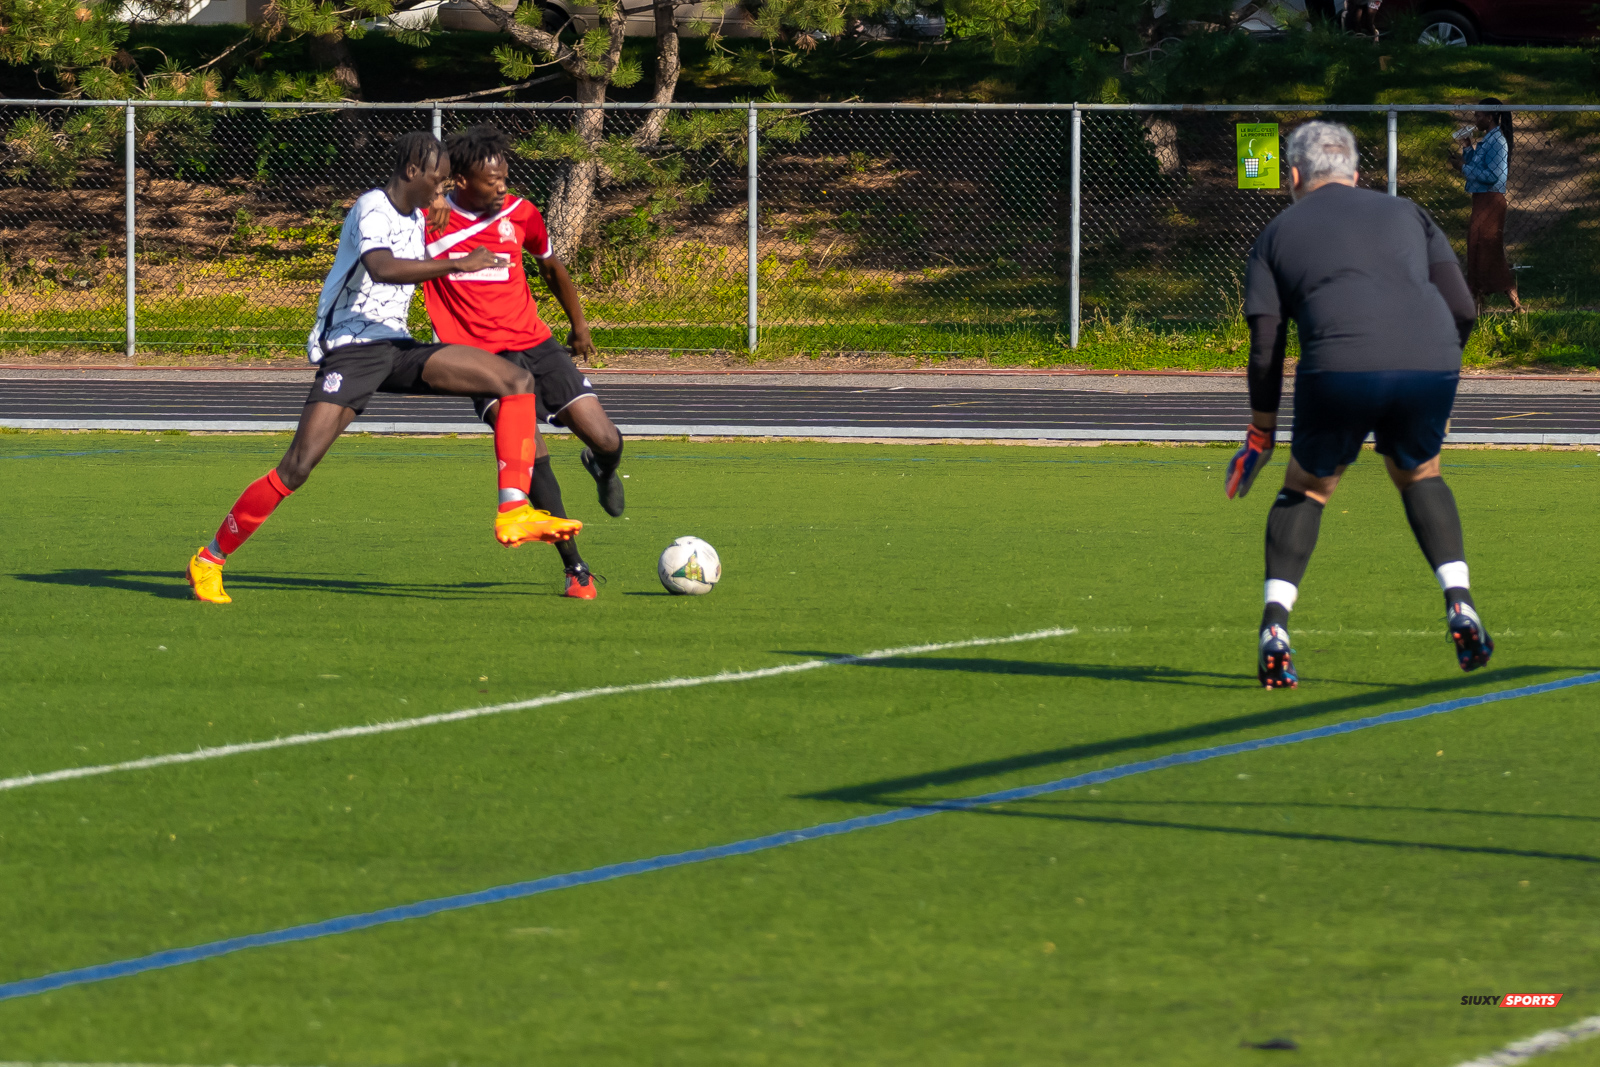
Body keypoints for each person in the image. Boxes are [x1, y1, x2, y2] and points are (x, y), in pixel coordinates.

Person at [185, 131, 581, 605]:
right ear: (412, 172)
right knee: (297, 467)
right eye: (436, 181)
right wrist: (458, 264)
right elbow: (382, 267)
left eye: (445, 183)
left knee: (514, 379)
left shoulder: (418, 214)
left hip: (395, 346)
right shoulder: (372, 206)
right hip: (352, 351)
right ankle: (209, 559)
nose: (441, 190)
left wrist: (442, 209)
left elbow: (447, 220)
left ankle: (513, 508)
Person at [1224, 121, 1491, 688]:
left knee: (1308, 488)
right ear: (1356, 173)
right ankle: (1460, 602)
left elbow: (1266, 344)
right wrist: (1438, 376)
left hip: (1340, 366)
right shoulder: (1409, 213)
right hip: (1430, 358)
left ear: (1294, 176)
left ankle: (1275, 629)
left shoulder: (1277, 232)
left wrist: (1260, 435)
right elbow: (1463, 309)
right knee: (1420, 474)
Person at [421, 123, 625, 600]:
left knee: (607, 438)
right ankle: (576, 568)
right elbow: (384, 214)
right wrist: (429, 197)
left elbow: (550, 267)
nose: (502, 187)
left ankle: (603, 468)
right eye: (492, 180)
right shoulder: (430, 220)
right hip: (482, 360)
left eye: (505, 177)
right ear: (461, 180)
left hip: (536, 344)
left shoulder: (522, 213)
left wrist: (579, 325)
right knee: (531, 456)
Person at [1453, 99, 1524, 313]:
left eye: (1478, 115)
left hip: (1490, 200)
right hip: (1482, 199)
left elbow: (1493, 175)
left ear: (1490, 117)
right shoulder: (1488, 140)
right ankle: (1484, 301)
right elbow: (1477, 164)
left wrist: (1463, 169)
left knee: (1485, 247)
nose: (1475, 119)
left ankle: (1503, 300)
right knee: (1479, 246)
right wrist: (1467, 147)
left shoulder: (1497, 142)